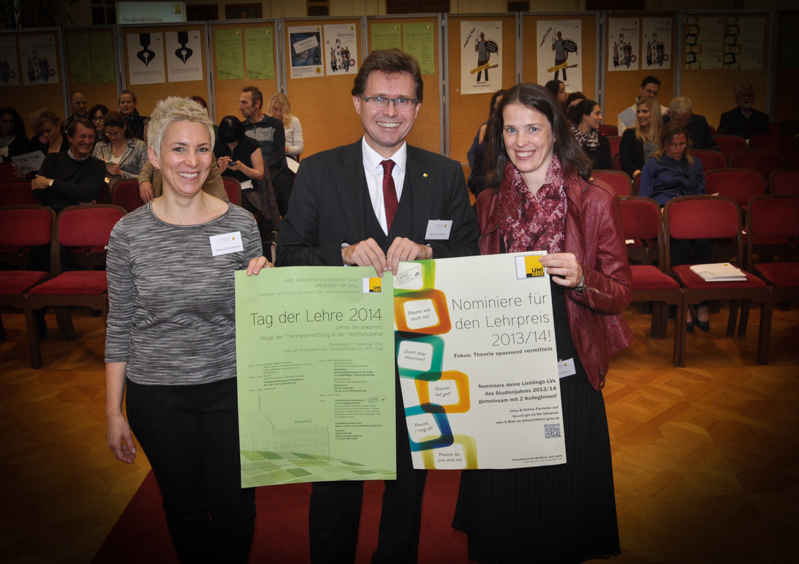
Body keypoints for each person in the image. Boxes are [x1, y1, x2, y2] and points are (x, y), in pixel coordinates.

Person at [258, 48, 479, 564]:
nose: (390, 110)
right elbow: (287, 254)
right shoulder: (316, 172)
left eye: (402, 100)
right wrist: (341, 255)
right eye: (379, 97)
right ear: (357, 102)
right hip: (339, 360)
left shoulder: (445, 175)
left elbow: (469, 254)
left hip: (420, 355)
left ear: (418, 108)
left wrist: (428, 252)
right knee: (336, 487)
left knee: (408, 484)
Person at [453, 81, 631, 564]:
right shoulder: (488, 201)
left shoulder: (594, 201)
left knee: (560, 509)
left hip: (568, 360)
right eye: (510, 129)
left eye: (533, 127)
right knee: (501, 507)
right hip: (503, 364)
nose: (521, 140)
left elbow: (620, 293)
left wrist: (581, 277)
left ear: (556, 131)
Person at [105, 97, 267, 564]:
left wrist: (268, 287)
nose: (191, 162)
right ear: (154, 155)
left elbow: (256, 317)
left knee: (237, 508)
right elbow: (119, 323)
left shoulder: (241, 224)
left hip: (232, 389)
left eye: (201, 149)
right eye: (178, 149)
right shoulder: (128, 234)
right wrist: (114, 413)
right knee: (184, 509)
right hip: (157, 396)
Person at [638, 120, 709, 332]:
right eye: (674, 144)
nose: (678, 149)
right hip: (664, 214)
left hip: (689, 213)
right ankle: (683, 303)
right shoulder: (653, 163)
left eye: (682, 144)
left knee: (704, 242)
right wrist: (658, 210)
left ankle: (702, 302)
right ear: (665, 144)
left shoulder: (694, 163)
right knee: (678, 240)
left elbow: (701, 193)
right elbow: (644, 198)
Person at [215, 115, 280, 235]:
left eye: (234, 142)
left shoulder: (251, 145)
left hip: (247, 191)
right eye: (228, 143)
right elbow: (208, 178)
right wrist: (220, 170)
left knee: (238, 209)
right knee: (216, 209)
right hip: (221, 190)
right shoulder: (216, 146)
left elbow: (259, 174)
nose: (231, 145)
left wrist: (242, 167)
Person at [239, 86, 293, 215]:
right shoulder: (241, 128)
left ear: (257, 104)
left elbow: (278, 155)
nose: (240, 106)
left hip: (274, 171)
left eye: (244, 102)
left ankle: (280, 228)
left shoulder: (275, 125)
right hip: (251, 173)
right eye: (240, 102)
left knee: (280, 189)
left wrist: (262, 171)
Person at [31, 118, 105, 212]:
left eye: (91, 137)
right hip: (52, 214)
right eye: (82, 136)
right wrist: (78, 200)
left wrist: (50, 183)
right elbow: (38, 191)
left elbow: (87, 194)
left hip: (81, 216)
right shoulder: (52, 159)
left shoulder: (98, 165)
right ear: (70, 138)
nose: (87, 141)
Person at [92, 110, 148, 190]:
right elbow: (91, 173)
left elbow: (145, 177)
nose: (112, 137)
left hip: (130, 191)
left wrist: (121, 173)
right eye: (108, 134)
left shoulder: (139, 146)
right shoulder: (99, 146)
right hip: (104, 191)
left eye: (116, 133)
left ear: (124, 127)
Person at [466, 89, 506, 197]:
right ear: (494, 106)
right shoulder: (486, 127)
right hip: (487, 184)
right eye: (498, 104)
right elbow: (474, 154)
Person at [618, 95, 662, 179]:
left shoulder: (664, 135)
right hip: (639, 178)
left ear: (655, 113)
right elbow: (625, 161)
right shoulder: (630, 134)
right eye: (638, 112)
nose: (640, 115)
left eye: (645, 111)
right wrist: (639, 175)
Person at [569, 99, 613, 170]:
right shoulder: (568, 140)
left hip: (598, 179)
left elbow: (608, 170)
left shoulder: (602, 141)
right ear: (585, 116)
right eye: (597, 113)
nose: (601, 117)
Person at [266, 92, 304, 160]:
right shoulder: (266, 122)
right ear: (271, 108)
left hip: (288, 158)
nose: (278, 113)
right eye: (275, 109)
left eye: (281, 110)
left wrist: (284, 149)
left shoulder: (294, 121)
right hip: (270, 158)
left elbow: (300, 148)